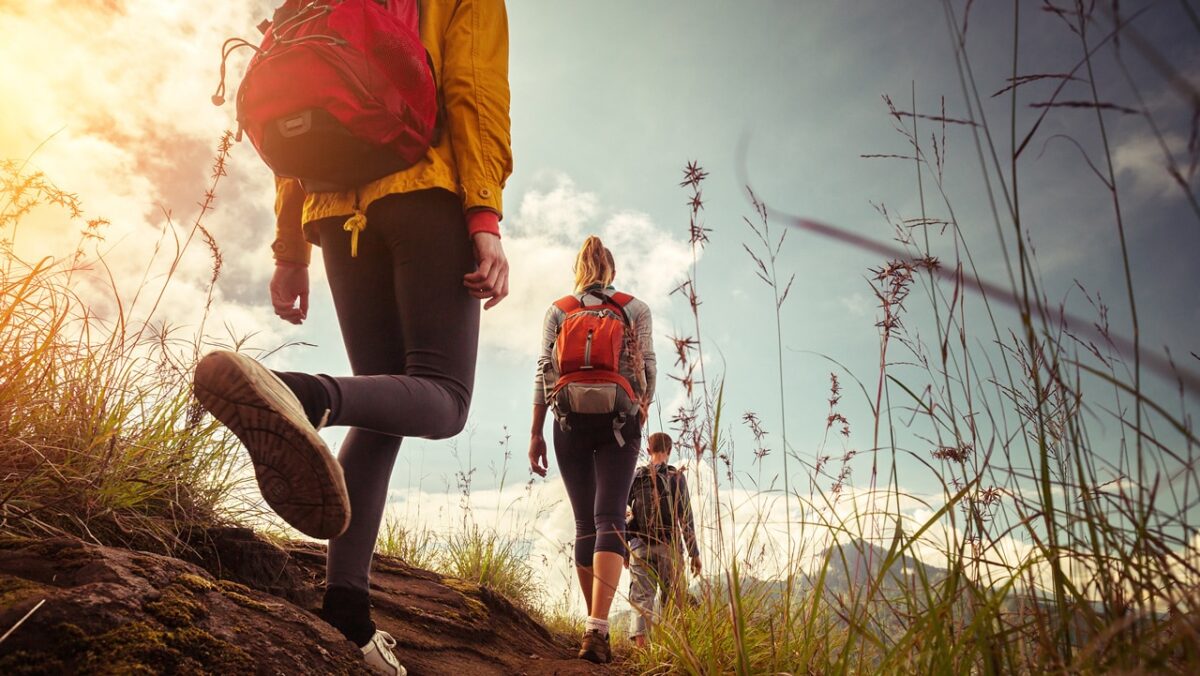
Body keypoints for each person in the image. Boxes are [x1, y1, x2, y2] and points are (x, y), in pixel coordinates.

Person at [192, 2, 512, 674]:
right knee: (443, 397)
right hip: (425, 192)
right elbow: (474, 93)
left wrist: (291, 248)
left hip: (334, 211)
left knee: (380, 407)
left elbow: (293, 122)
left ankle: (347, 611)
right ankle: (299, 394)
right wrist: (483, 212)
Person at [528, 236, 656, 664]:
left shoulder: (559, 310)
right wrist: (639, 412)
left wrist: (536, 432)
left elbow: (543, 371)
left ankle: (592, 625)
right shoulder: (634, 308)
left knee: (586, 522)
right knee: (610, 519)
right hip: (621, 421)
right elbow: (649, 368)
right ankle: (598, 626)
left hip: (568, 422)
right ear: (612, 271)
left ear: (578, 271)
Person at [625, 432, 701, 648]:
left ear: (648, 450)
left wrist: (624, 548)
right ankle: (669, 650)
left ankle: (642, 650)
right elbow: (685, 516)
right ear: (669, 450)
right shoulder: (676, 476)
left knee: (641, 598)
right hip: (670, 546)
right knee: (672, 599)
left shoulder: (634, 476)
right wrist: (694, 553)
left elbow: (624, 512)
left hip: (640, 546)